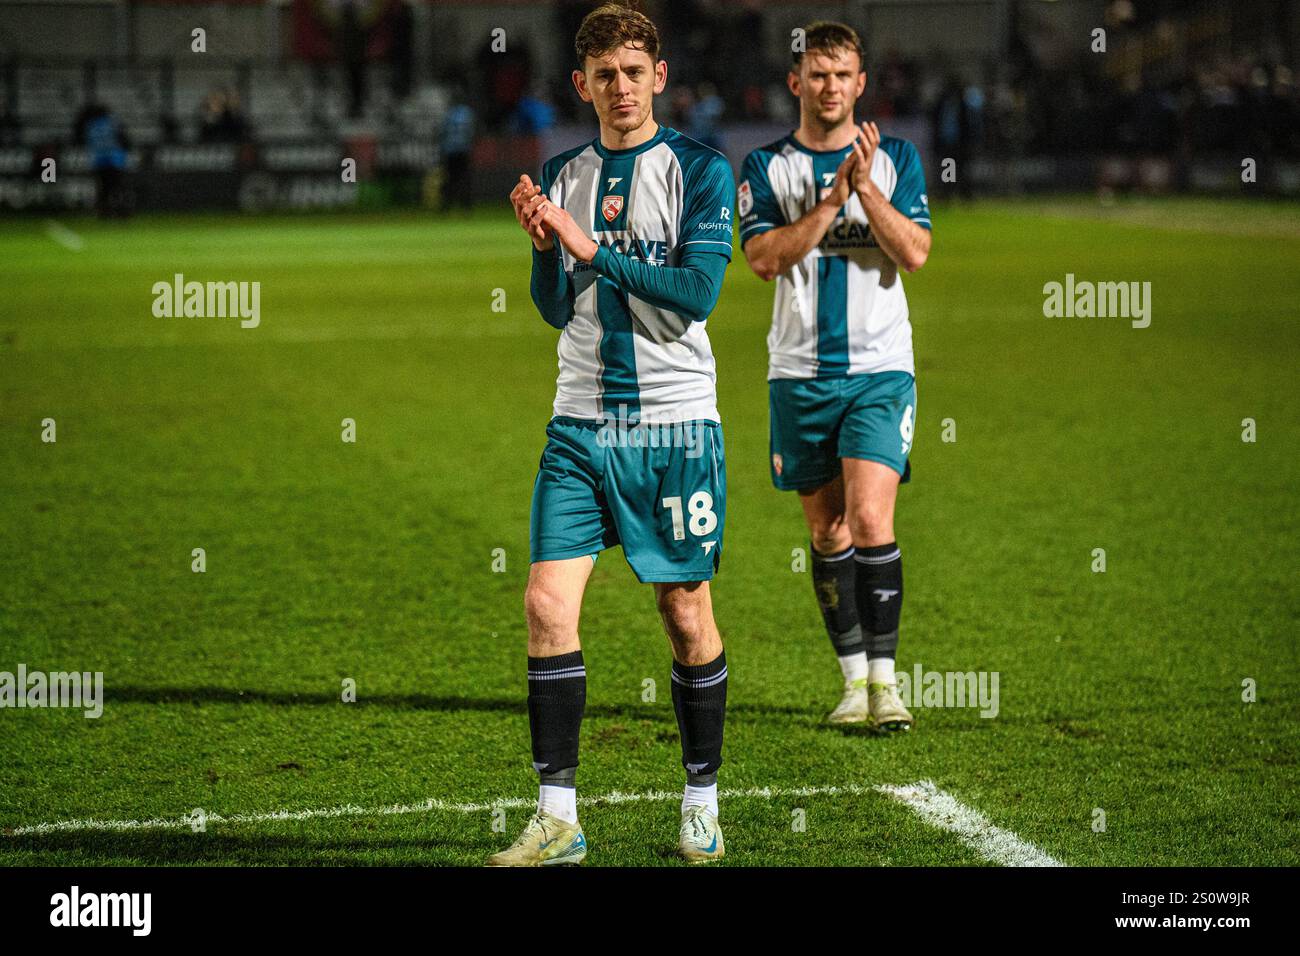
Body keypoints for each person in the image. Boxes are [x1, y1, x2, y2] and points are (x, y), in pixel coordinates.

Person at [491, 2, 735, 866]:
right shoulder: (561, 171)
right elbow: (558, 309)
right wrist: (546, 252)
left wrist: (589, 248)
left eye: (635, 72)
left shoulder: (702, 171)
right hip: (579, 424)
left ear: (658, 77)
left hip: (672, 428)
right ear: (582, 83)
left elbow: (697, 294)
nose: (621, 88)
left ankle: (700, 797)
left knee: (684, 612)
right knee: (545, 605)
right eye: (605, 75)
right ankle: (559, 815)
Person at [738, 21, 931, 730]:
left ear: (861, 83)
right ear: (796, 84)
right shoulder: (763, 168)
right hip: (799, 374)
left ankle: (887, 684)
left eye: (843, 74)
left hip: (880, 369)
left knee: (872, 517)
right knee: (827, 532)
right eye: (817, 74)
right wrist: (829, 202)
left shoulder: (898, 159)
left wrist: (864, 191)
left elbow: (914, 254)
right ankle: (853, 684)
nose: (830, 86)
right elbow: (764, 260)